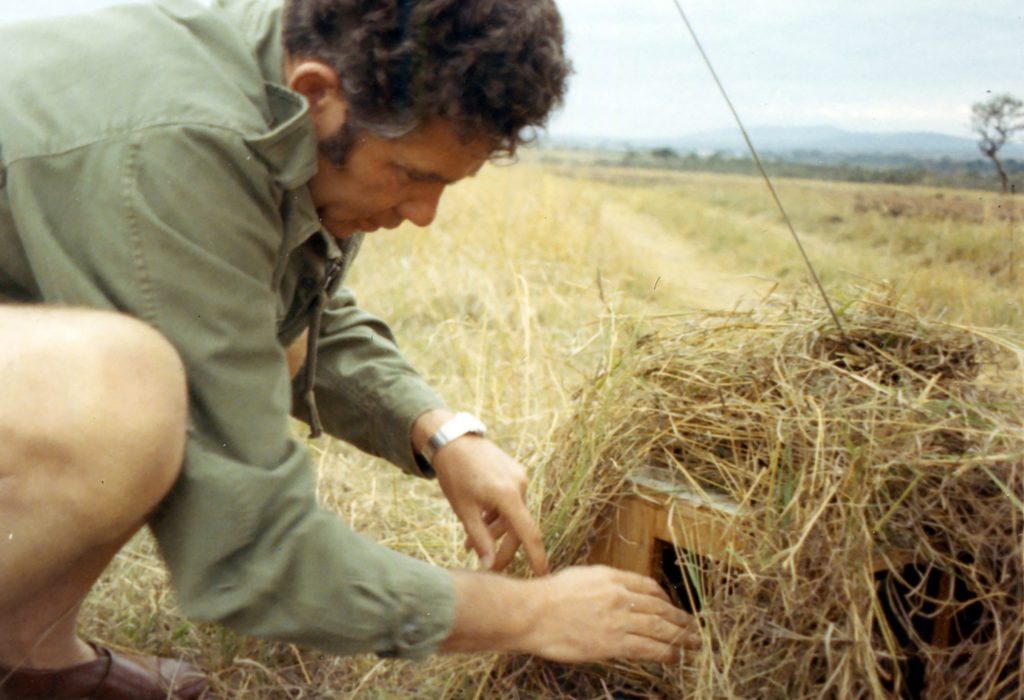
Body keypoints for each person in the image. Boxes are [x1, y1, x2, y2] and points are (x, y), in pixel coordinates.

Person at [0, 0, 701, 697]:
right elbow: (249, 553)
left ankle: (27, 658)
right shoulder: (177, 144)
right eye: (411, 174)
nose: (424, 215)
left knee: (205, 358)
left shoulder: (283, 88)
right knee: (119, 388)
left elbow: (261, 311)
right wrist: (531, 613)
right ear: (316, 94)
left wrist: (438, 431)